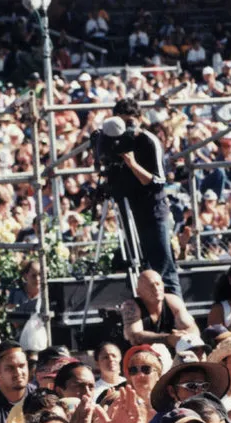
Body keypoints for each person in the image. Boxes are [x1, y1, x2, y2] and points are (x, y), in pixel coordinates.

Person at [103, 98, 179, 295]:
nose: (126, 129)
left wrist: (132, 163)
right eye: (121, 123)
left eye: (130, 122)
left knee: (163, 269)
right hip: (129, 211)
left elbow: (157, 182)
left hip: (153, 211)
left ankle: (175, 316)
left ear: (139, 119)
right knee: (137, 269)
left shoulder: (148, 140)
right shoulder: (114, 142)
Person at [120, 270, 198, 348]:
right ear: (138, 292)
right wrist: (168, 339)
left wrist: (185, 337)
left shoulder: (173, 301)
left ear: (163, 285)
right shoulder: (131, 306)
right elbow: (135, 337)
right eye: (150, 286)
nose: (156, 288)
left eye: (158, 284)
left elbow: (191, 327)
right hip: (143, 353)